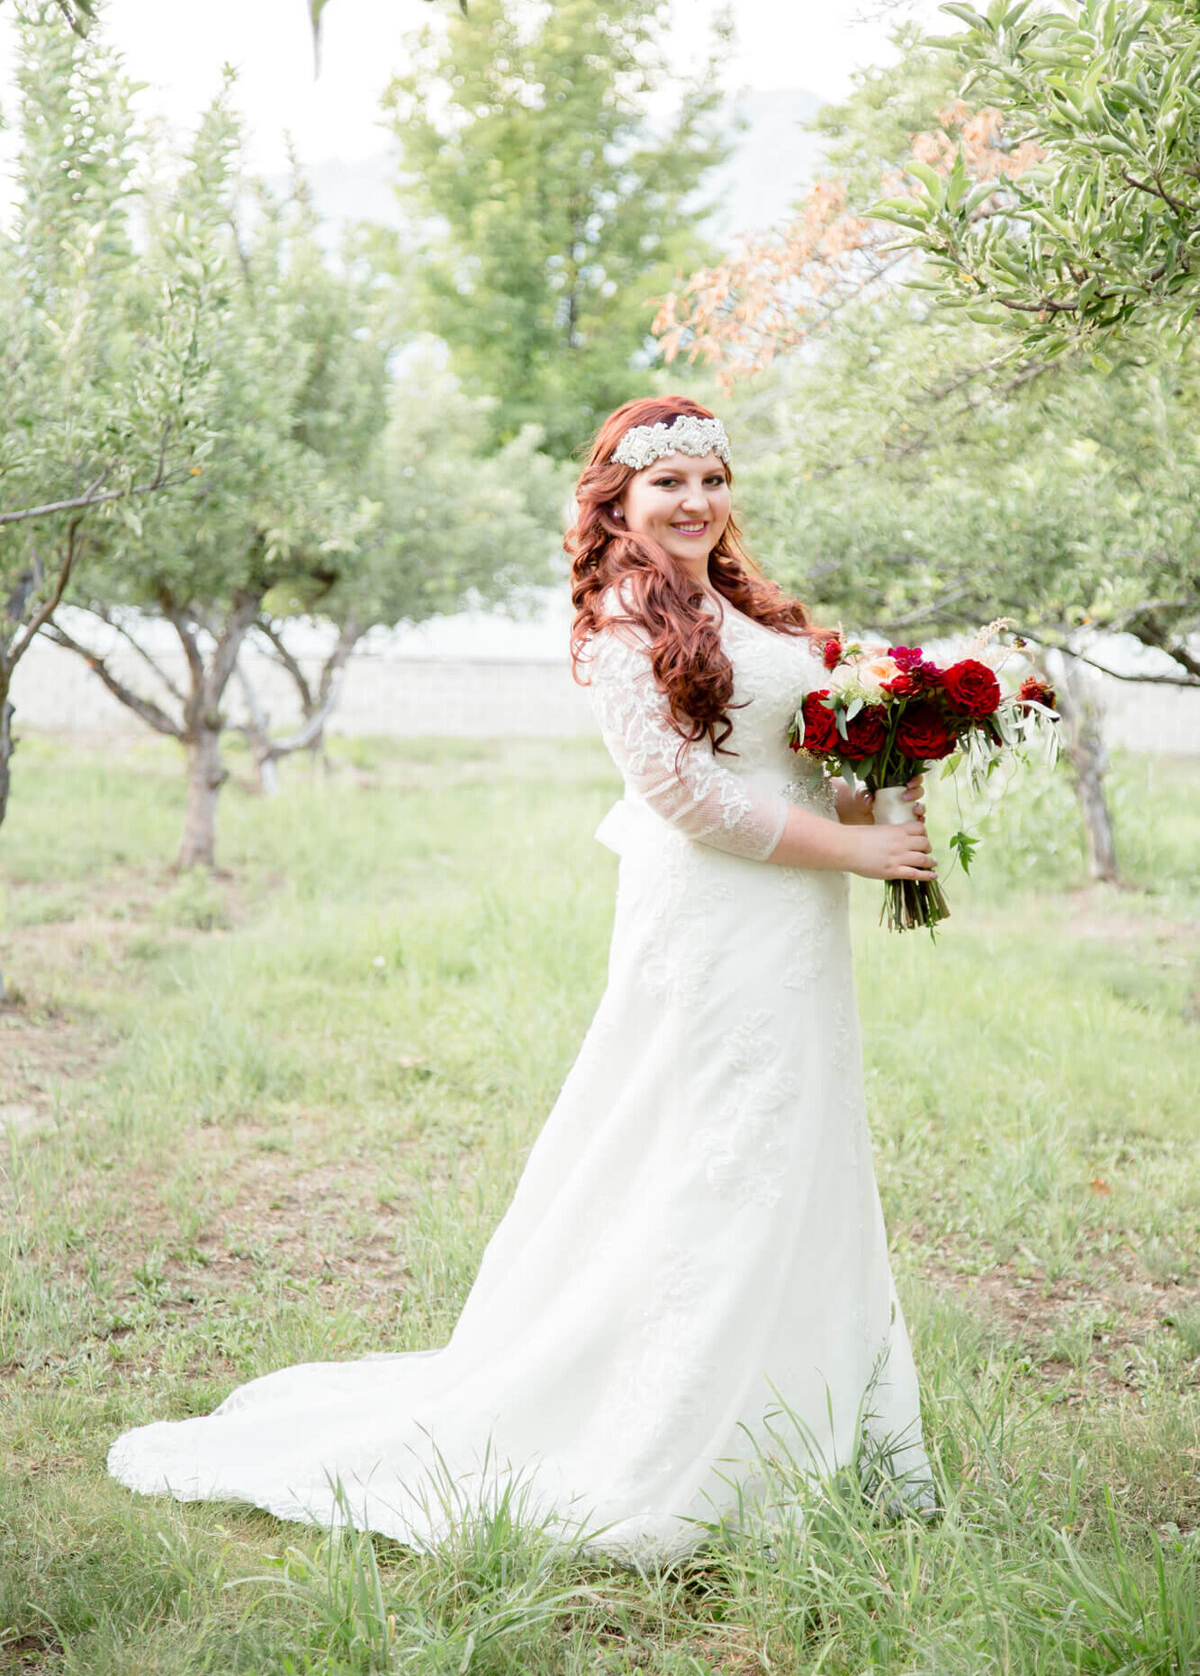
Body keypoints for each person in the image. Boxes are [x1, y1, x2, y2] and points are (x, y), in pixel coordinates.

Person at [107, 396, 936, 1561]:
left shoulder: (747, 606)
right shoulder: (616, 622)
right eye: (667, 484)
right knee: (712, 1145)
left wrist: (898, 769)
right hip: (715, 914)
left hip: (797, 916)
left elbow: (800, 755)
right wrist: (854, 850)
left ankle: (820, 1416)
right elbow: (685, 798)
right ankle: (672, 1423)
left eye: (711, 478)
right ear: (619, 501)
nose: (695, 501)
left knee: (802, 1137)